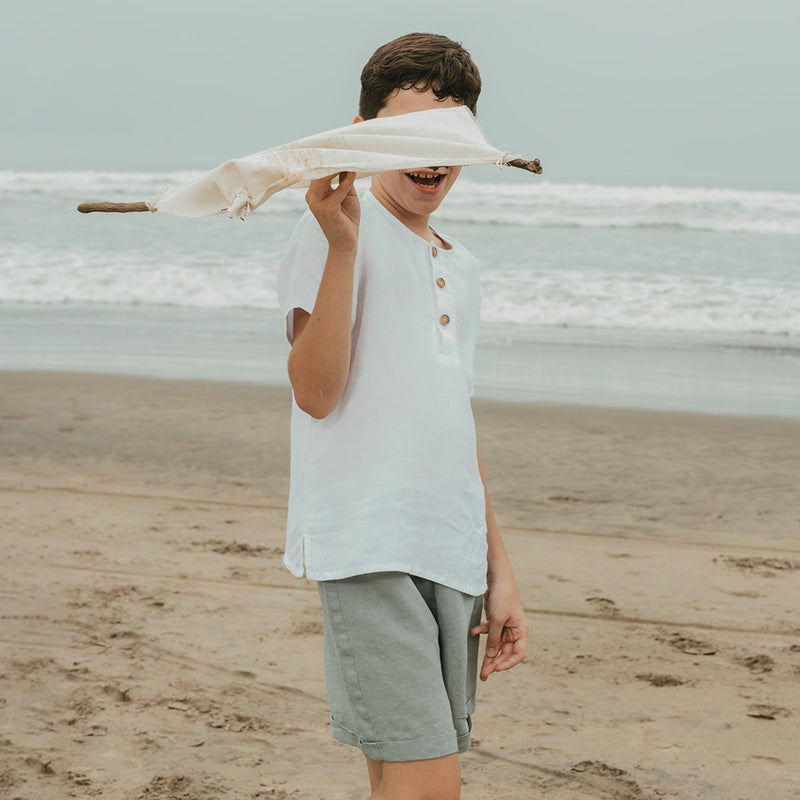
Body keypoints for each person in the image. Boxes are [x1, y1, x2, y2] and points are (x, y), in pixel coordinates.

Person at [276, 32, 528, 800]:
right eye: (408, 133)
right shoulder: (330, 232)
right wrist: (344, 244)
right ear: (365, 138)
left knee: (406, 780)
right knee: (429, 786)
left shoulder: (464, 266)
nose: (431, 155)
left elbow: (455, 426)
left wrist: (501, 570)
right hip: (369, 543)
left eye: (448, 136)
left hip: (449, 550)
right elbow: (316, 393)